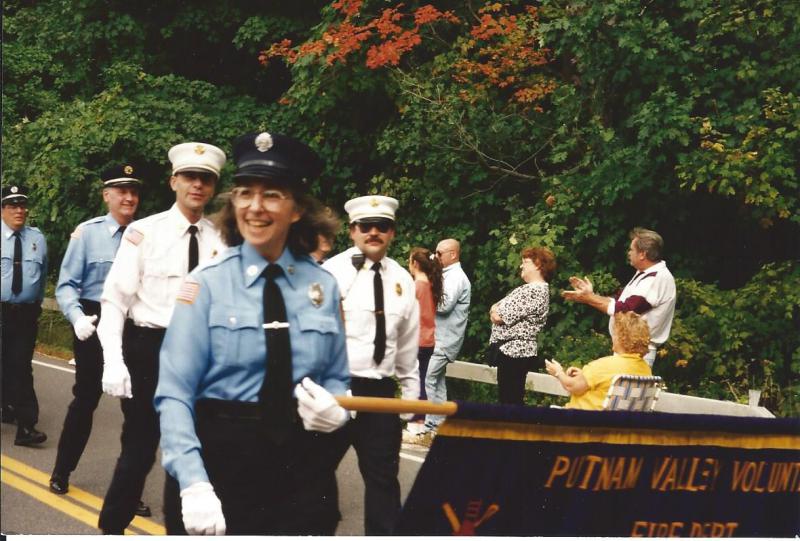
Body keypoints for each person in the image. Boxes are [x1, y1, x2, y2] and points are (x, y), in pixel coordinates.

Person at [155, 131, 350, 535]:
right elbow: (175, 393)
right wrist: (192, 482)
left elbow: (336, 375)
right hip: (221, 465)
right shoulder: (205, 284)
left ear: (297, 209)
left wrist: (339, 410)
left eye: (273, 195)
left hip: (302, 470)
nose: (255, 207)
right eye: (245, 193)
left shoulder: (323, 287)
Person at [95, 141, 227, 534]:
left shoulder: (223, 238)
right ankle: (110, 529)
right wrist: (114, 359)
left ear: (214, 187)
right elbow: (115, 300)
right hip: (149, 350)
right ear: (174, 181)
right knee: (137, 451)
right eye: (190, 177)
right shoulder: (143, 232)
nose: (197, 185)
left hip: (201, 356)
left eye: (206, 179)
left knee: (188, 454)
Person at [323, 195, 420, 535]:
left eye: (383, 227)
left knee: (383, 480)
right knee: (315, 477)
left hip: (379, 392)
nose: (374, 233)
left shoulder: (403, 280)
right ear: (352, 231)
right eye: (366, 226)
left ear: (392, 233)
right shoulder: (330, 273)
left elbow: (407, 345)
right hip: (334, 389)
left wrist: (411, 397)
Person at [49, 165, 142, 496]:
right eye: (121, 191)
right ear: (107, 196)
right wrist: (76, 318)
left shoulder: (147, 234)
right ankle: (62, 470)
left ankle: (128, 490)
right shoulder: (87, 233)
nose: (129, 197)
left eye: (133, 191)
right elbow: (66, 285)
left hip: (134, 325)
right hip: (94, 319)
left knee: (137, 410)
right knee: (85, 400)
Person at [562, 227, 676, 366]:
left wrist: (589, 298)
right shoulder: (645, 273)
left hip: (637, 353)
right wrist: (590, 296)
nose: (629, 253)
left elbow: (625, 310)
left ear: (642, 254)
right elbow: (618, 301)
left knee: (626, 388)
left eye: (631, 250)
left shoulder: (656, 278)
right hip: (628, 351)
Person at [1, 185, 48, 447]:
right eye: (12, 206)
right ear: (2, 210)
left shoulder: (37, 238)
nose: (19, 210)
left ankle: (27, 426)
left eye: (22, 206)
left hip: (26, 314)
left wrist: (36, 304)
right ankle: (6, 406)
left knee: (20, 366)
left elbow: (42, 276)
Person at [487, 247, 555, 405]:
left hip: (515, 353)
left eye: (525, 262)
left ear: (538, 265)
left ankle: (510, 429)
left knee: (510, 400)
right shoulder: (530, 289)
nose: (521, 266)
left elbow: (498, 316)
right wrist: (495, 310)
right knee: (509, 397)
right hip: (512, 352)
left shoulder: (535, 291)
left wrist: (495, 311)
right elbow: (496, 308)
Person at [544, 311, 653, 410]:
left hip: (582, 422)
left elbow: (572, 386)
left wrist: (558, 372)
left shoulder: (606, 365)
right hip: (617, 427)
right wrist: (584, 375)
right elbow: (609, 383)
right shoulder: (645, 369)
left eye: (615, 334)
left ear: (622, 338)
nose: (612, 337)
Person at [421, 238, 470, 436]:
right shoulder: (446, 275)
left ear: (453, 255)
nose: (435, 256)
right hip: (440, 337)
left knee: (429, 378)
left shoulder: (456, 277)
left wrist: (425, 291)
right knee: (437, 382)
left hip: (446, 339)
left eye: (439, 253)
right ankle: (440, 426)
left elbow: (443, 306)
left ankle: (430, 425)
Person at [404, 247, 443, 433]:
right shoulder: (431, 285)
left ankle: (416, 421)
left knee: (414, 381)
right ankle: (419, 420)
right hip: (428, 339)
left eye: (409, 260)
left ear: (416, 264)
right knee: (421, 379)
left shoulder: (416, 286)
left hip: (416, 339)